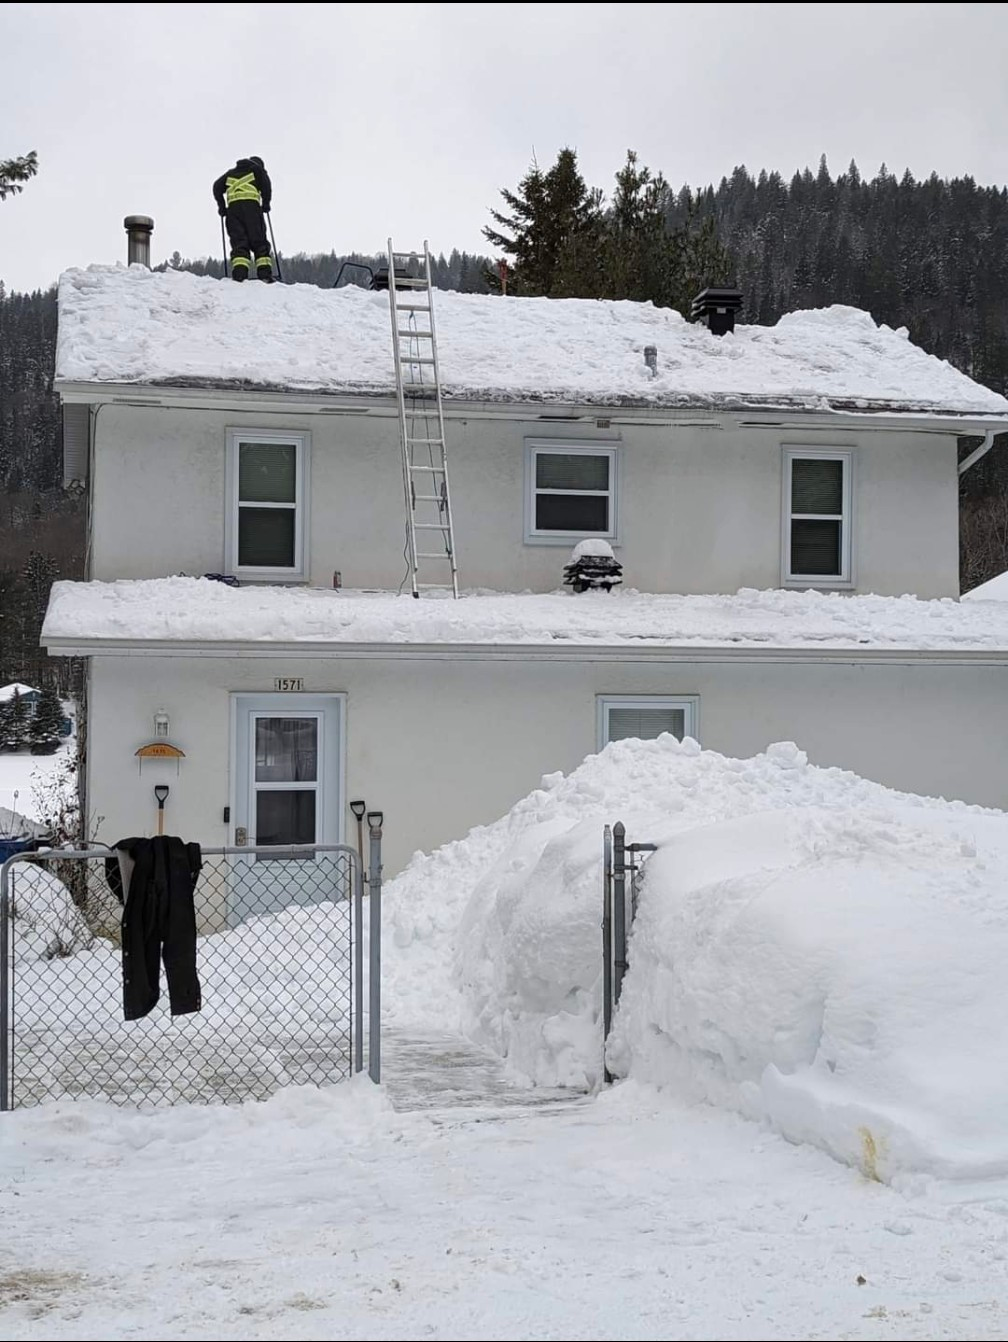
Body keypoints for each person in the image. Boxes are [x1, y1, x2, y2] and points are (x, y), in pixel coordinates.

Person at [212, 156, 274, 283]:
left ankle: (240, 275)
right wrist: (266, 203)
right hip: (252, 210)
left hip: (233, 213)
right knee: (259, 241)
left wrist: (222, 207)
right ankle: (265, 275)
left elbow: (216, 187)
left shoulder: (230, 174)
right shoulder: (257, 170)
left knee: (239, 242)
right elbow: (267, 185)